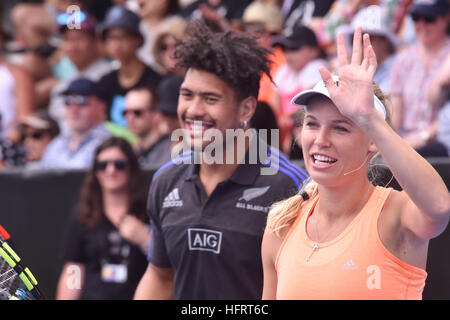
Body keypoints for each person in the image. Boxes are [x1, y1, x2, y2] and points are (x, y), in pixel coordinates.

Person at [261, 27, 450, 300]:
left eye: (340, 128)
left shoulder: (396, 214)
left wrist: (368, 118)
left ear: (372, 140)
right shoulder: (281, 226)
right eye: (312, 124)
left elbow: (440, 207)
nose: (321, 140)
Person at [134, 21, 308, 300]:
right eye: (187, 95)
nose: (193, 110)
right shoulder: (166, 180)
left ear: (246, 108)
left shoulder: (290, 187)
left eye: (210, 98)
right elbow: (160, 276)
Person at [56, 137, 150, 300]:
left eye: (119, 164)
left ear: (131, 168)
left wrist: (146, 240)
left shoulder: (149, 211)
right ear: (95, 172)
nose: (111, 170)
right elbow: (74, 269)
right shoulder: (83, 215)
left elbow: (167, 267)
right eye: (102, 165)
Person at [390, 0, 450, 151]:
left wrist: (422, 137)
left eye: (429, 19)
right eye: (416, 18)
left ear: (446, 18)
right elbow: (396, 117)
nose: (421, 25)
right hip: (406, 142)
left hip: (440, 142)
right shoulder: (404, 58)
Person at [96, 6, 162, 128]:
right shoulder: (106, 82)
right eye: (111, 38)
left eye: (122, 37)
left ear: (137, 39)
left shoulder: (155, 81)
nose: (116, 44)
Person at [47, 12, 113, 131]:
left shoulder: (111, 77)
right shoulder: (62, 85)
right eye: (68, 39)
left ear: (95, 41)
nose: (73, 46)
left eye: (79, 39)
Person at [40, 78, 110, 169]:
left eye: (82, 101)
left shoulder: (108, 143)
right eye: (68, 101)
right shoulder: (57, 143)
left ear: (101, 106)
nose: (74, 108)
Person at [337, 5, 400, 94]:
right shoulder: (355, 69)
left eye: (366, 39)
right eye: (354, 39)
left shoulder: (400, 66)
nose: (359, 45)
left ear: (385, 41)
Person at [123, 86, 172, 168]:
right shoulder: (131, 152)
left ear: (156, 114)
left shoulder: (171, 152)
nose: (130, 118)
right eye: (126, 112)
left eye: (137, 112)